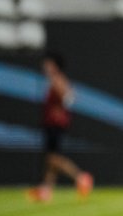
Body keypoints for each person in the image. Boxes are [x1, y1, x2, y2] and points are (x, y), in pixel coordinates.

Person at [28, 52, 93, 202]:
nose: (45, 66)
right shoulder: (55, 79)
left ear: (55, 66)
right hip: (52, 123)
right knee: (51, 160)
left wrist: (60, 108)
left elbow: (69, 97)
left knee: (53, 158)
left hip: (55, 123)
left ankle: (81, 177)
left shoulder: (57, 79)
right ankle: (46, 190)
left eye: (48, 64)